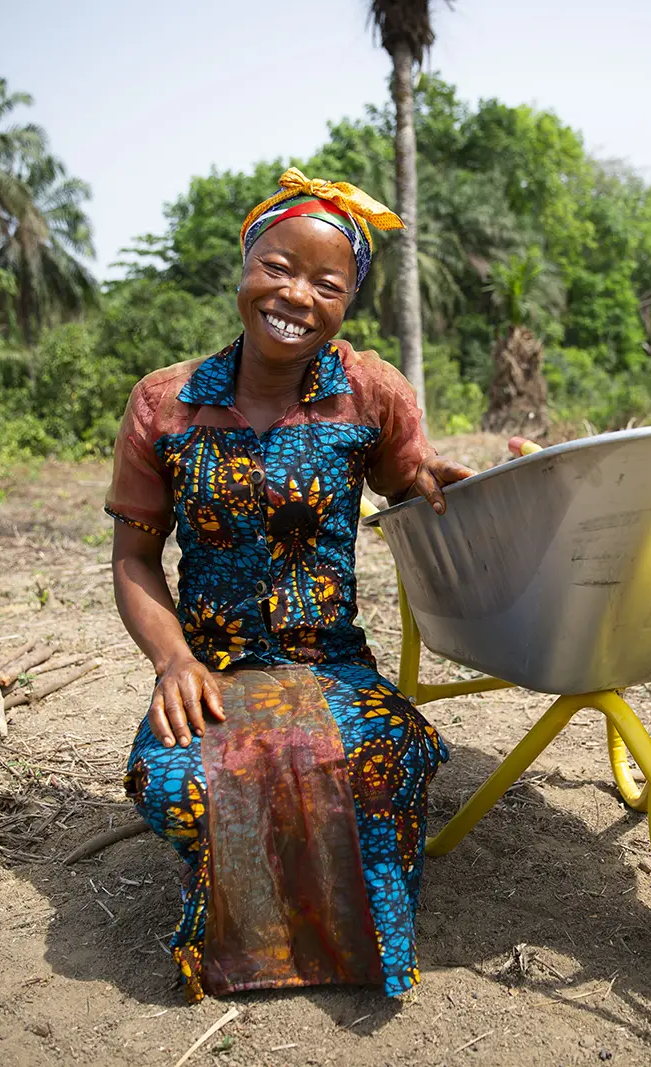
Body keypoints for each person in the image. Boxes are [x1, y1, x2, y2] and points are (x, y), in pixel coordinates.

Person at [105, 169, 475, 1002]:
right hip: (215, 673)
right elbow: (134, 560)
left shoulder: (369, 391)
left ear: (348, 303)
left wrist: (462, 479)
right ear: (244, 264)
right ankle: (259, 908)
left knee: (388, 754)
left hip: (331, 665)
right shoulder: (164, 404)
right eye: (278, 266)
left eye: (326, 283)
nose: (296, 295)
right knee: (173, 784)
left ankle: (325, 924)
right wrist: (172, 662)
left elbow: (414, 480)